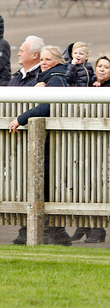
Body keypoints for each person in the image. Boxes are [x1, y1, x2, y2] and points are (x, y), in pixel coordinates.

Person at [8, 45, 70, 246]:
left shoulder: (57, 78)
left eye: (47, 60)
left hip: (53, 141)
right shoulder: (45, 78)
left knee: (45, 182)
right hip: (46, 139)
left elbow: (47, 106)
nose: (43, 63)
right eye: (42, 59)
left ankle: (50, 232)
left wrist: (21, 118)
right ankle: (47, 232)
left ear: (57, 62)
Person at [70, 53, 110, 243]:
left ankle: (98, 229)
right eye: (100, 66)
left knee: (100, 186)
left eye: (106, 67)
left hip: (104, 143)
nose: (102, 69)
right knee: (85, 184)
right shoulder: (89, 83)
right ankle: (84, 224)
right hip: (89, 142)